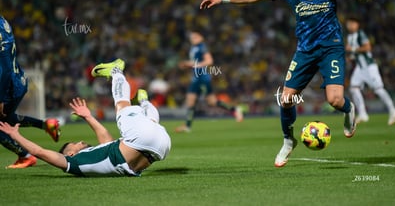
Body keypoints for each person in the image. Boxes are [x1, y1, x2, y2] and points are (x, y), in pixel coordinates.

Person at [199, 0, 375, 167]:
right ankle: (288, 140)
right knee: (286, 99)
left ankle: (349, 109)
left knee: (335, 100)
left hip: (331, 46)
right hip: (305, 50)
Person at [0, 58, 171, 177]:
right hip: (144, 141)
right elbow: (39, 152)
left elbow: (107, 140)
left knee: (151, 123)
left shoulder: (98, 158)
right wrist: (16, 136)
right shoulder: (73, 163)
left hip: (160, 146)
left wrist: (89, 117)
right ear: (71, 154)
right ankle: (116, 71)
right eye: (74, 144)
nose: (80, 141)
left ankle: (143, 100)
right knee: (122, 105)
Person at [0, 15, 61, 168]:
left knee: (2, 122)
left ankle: (25, 156)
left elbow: (5, 69)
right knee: (7, 119)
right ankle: (46, 125)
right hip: (17, 79)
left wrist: (0, 98)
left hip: (7, 85)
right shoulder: (2, 22)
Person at [175, 29, 243, 133]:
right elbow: (195, 61)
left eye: (195, 36)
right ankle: (187, 126)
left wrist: (193, 64)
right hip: (196, 77)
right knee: (190, 100)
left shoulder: (202, 47)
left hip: (202, 78)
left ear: (201, 37)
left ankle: (235, 110)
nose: (193, 38)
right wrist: (186, 63)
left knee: (212, 102)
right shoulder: (195, 48)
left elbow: (209, 61)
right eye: (192, 37)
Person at [345, 17, 395, 125]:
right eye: (348, 23)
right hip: (360, 68)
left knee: (378, 89)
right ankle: (363, 114)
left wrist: (353, 50)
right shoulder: (350, 37)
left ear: (357, 24)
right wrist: (349, 58)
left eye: (352, 23)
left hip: (369, 67)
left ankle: (393, 109)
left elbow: (368, 47)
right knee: (353, 88)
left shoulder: (360, 34)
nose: (350, 25)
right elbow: (354, 54)